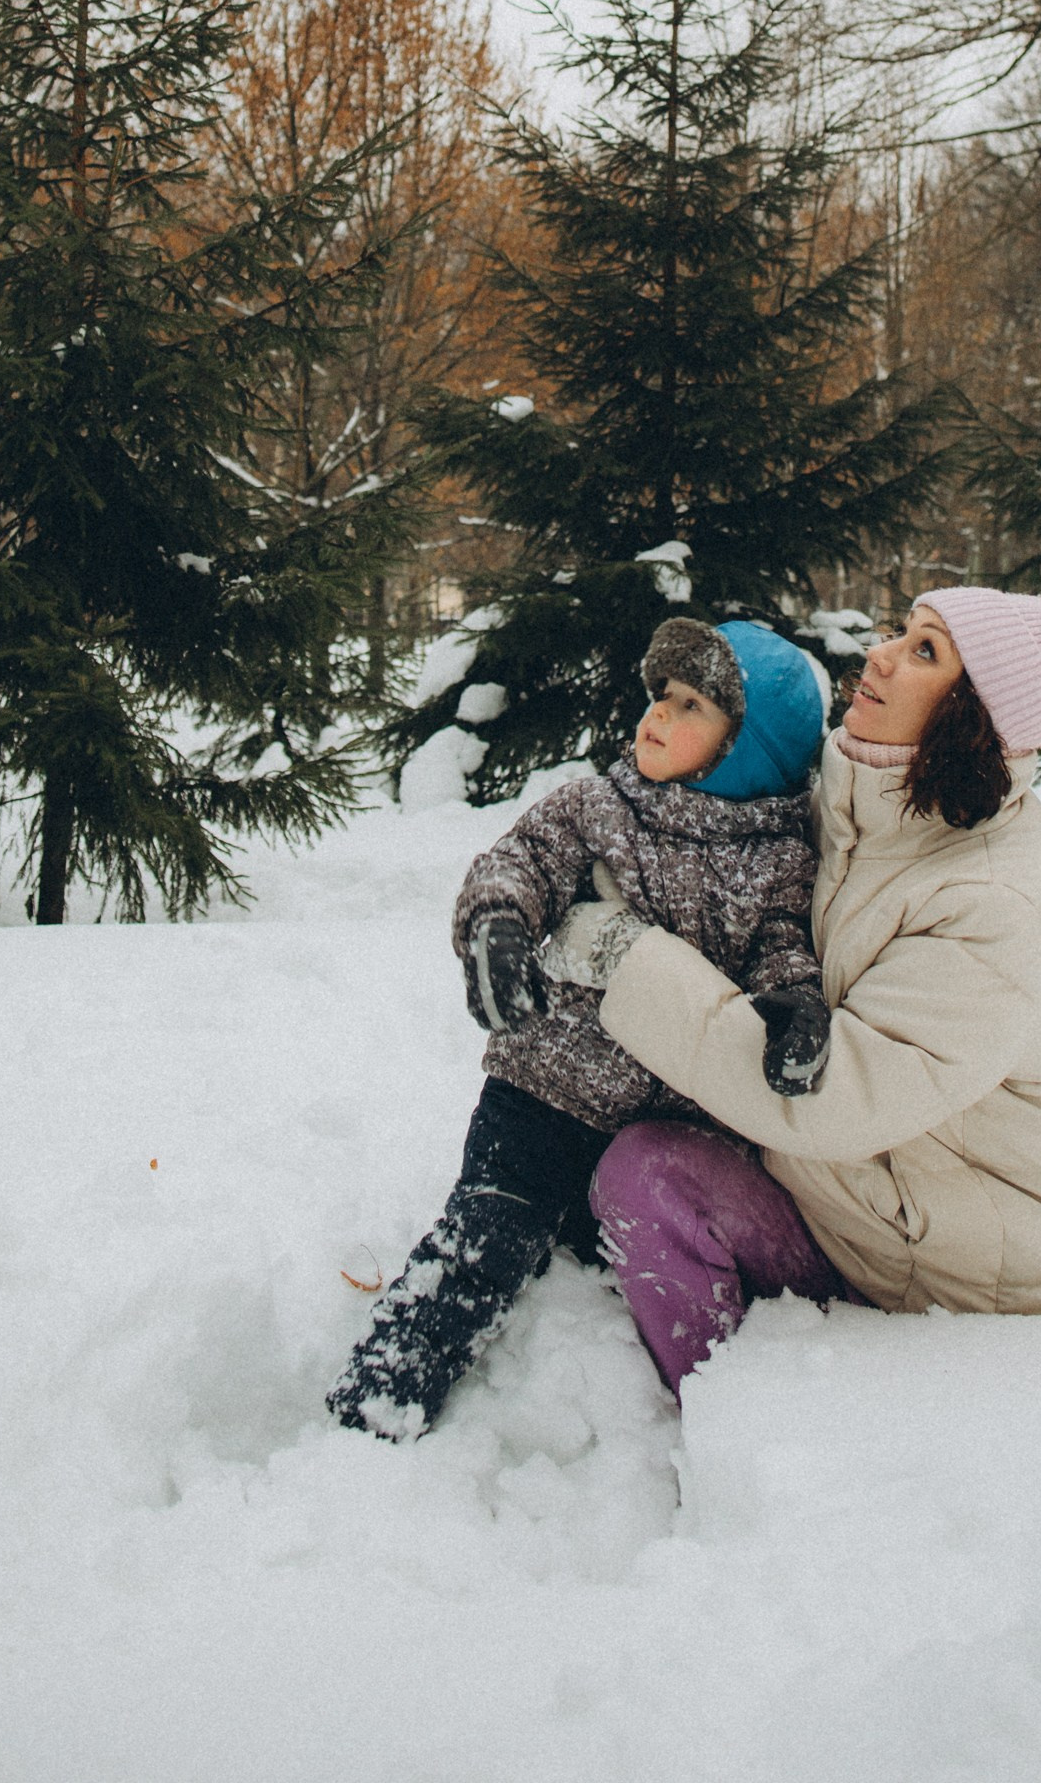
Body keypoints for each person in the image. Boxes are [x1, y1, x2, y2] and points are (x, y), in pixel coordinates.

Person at [560, 588, 1041, 1399]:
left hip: (970, 1293)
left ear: (972, 716)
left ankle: (743, 1433)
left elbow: (828, 1100)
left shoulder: (994, 898)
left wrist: (620, 951)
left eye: (926, 652)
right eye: (902, 631)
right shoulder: (861, 806)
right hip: (877, 1208)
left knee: (647, 1176)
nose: (883, 653)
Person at [329, 615, 832, 1438]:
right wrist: (499, 927)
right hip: (542, 1093)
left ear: (749, 748)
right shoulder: (598, 805)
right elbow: (517, 862)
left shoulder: (777, 860)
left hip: (660, 1125)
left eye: (692, 706)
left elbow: (782, 946)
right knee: (486, 1237)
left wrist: (793, 1008)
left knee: (614, 1255)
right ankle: (383, 1391)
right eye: (660, 695)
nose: (656, 716)